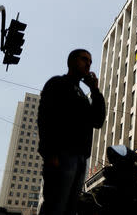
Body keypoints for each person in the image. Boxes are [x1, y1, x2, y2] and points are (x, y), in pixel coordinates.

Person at [38, 49, 106, 215]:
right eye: (84, 59)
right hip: (61, 156)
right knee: (56, 205)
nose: (88, 64)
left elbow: (97, 121)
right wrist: (51, 154)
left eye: (90, 61)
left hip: (80, 159)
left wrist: (95, 91)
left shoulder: (83, 94)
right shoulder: (57, 83)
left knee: (69, 208)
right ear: (71, 62)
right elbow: (46, 117)